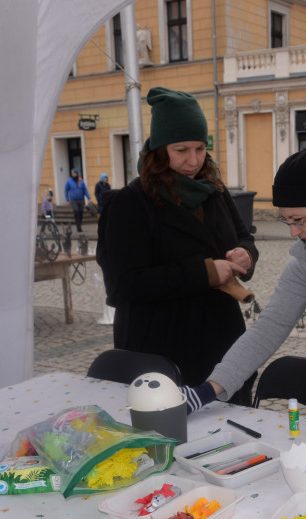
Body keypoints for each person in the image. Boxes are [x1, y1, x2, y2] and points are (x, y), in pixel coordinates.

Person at [180, 146, 306, 413]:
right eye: (286, 221)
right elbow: (272, 324)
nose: (293, 232)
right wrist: (209, 389)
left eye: (299, 220)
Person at [96, 86, 259, 388]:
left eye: (200, 148)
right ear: (159, 149)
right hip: (161, 345)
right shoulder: (130, 202)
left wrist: (246, 254)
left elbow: (242, 235)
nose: (194, 160)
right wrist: (205, 272)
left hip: (219, 337)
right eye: (181, 150)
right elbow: (127, 283)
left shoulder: (213, 188)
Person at [64, 168, 90, 233]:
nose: (73, 174)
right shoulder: (69, 181)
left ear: (76, 173)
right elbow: (66, 190)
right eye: (72, 173)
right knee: (76, 211)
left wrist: (89, 198)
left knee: (81, 212)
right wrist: (67, 199)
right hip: (73, 200)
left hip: (81, 199)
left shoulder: (81, 181)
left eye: (74, 173)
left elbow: (85, 190)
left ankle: (79, 224)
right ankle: (78, 227)